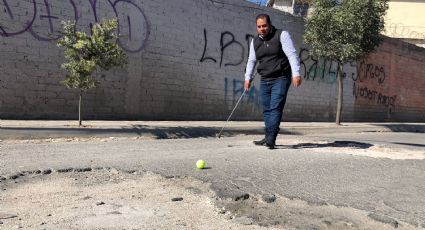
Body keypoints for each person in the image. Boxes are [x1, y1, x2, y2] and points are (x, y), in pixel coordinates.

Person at [244, 13, 301, 149]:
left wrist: (296, 74)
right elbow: (251, 60)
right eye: (259, 26)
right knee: (266, 109)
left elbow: (292, 55)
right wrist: (248, 78)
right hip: (265, 78)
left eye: (264, 26)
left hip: (281, 77)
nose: (262, 29)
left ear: (269, 25)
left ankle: (271, 138)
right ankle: (269, 134)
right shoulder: (255, 41)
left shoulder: (282, 35)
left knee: (275, 107)